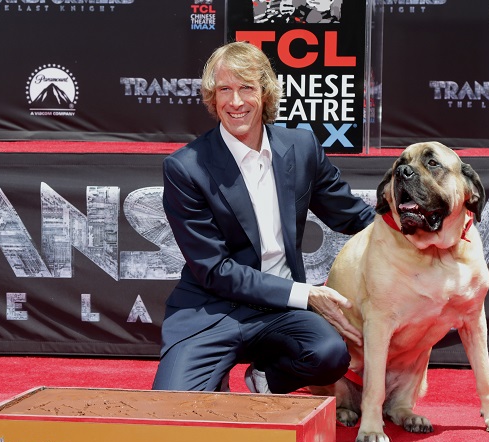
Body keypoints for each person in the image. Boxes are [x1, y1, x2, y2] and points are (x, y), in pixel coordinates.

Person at [151, 41, 374, 394]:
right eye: (224, 89)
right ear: (212, 97)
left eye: (246, 88)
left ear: (266, 92)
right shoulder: (186, 167)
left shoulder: (301, 147)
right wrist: (307, 294)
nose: (235, 102)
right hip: (211, 311)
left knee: (330, 355)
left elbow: (352, 216)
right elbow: (215, 270)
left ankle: (264, 379)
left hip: (279, 312)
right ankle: (211, 382)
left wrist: (412, 230)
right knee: (173, 413)